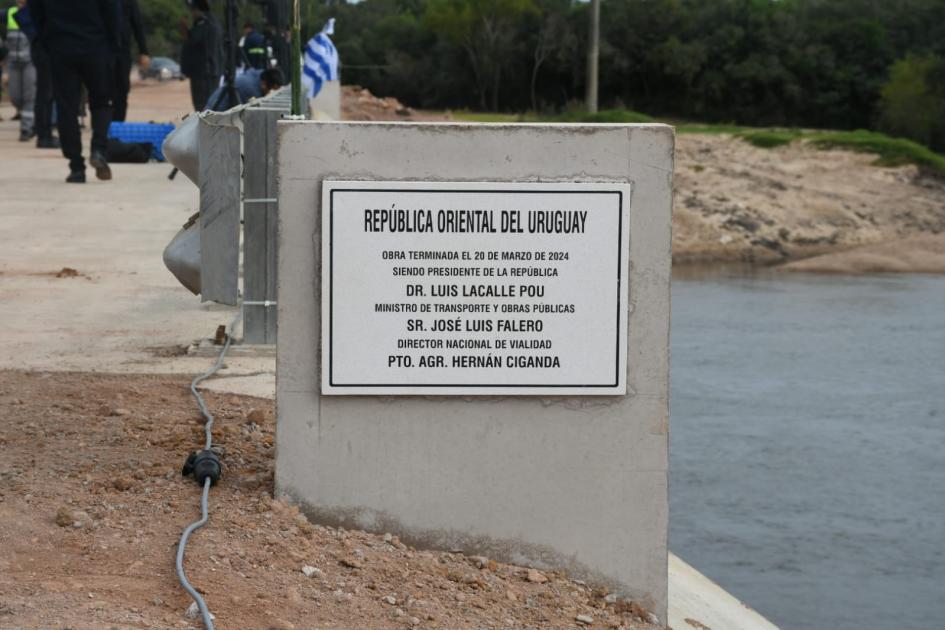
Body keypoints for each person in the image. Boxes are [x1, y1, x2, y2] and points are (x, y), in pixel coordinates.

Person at [31, 0, 119, 183]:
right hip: (96, 45)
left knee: (66, 108)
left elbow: (36, 12)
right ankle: (98, 149)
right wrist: (113, 46)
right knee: (102, 102)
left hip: (61, 47)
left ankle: (76, 167)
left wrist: (47, 42)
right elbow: (112, 11)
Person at [9, 2, 57, 147]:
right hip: (44, 49)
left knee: (44, 94)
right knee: (46, 94)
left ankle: (40, 130)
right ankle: (44, 134)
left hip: (39, 49)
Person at [180, 0, 222, 112]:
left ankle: (204, 126)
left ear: (198, 10)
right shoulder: (211, 22)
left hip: (203, 73)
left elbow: (193, 42)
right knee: (207, 103)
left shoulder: (205, 24)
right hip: (207, 72)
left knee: (203, 105)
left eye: (193, 10)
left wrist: (185, 31)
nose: (192, 14)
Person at [3, 0, 36, 141]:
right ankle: (30, 118)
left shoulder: (35, 11)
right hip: (13, 61)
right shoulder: (10, 13)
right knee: (16, 97)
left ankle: (26, 129)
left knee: (29, 95)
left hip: (30, 61)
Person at [112, 0, 149, 122]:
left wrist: (144, 51)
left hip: (123, 50)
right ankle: (103, 128)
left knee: (122, 90)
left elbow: (138, 24)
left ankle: (118, 125)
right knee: (102, 91)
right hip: (101, 51)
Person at [205, 66, 282, 111]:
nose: (272, 93)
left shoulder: (259, 75)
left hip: (213, 104)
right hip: (214, 111)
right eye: (272, 90)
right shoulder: (252, 90)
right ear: (264, 84)